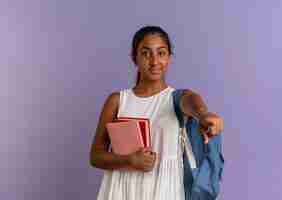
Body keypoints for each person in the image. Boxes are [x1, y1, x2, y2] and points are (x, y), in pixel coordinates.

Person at [89, 25, 224, 200]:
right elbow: (96, 156)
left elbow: (193, 102)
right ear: (134, 58)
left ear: (169, 58)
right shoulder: (117, 100)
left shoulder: (177, 98)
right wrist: (129, 161)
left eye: (161, 53)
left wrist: (204, 115)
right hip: (121, 189)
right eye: (146, 53)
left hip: (164, 190)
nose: (154, 61)